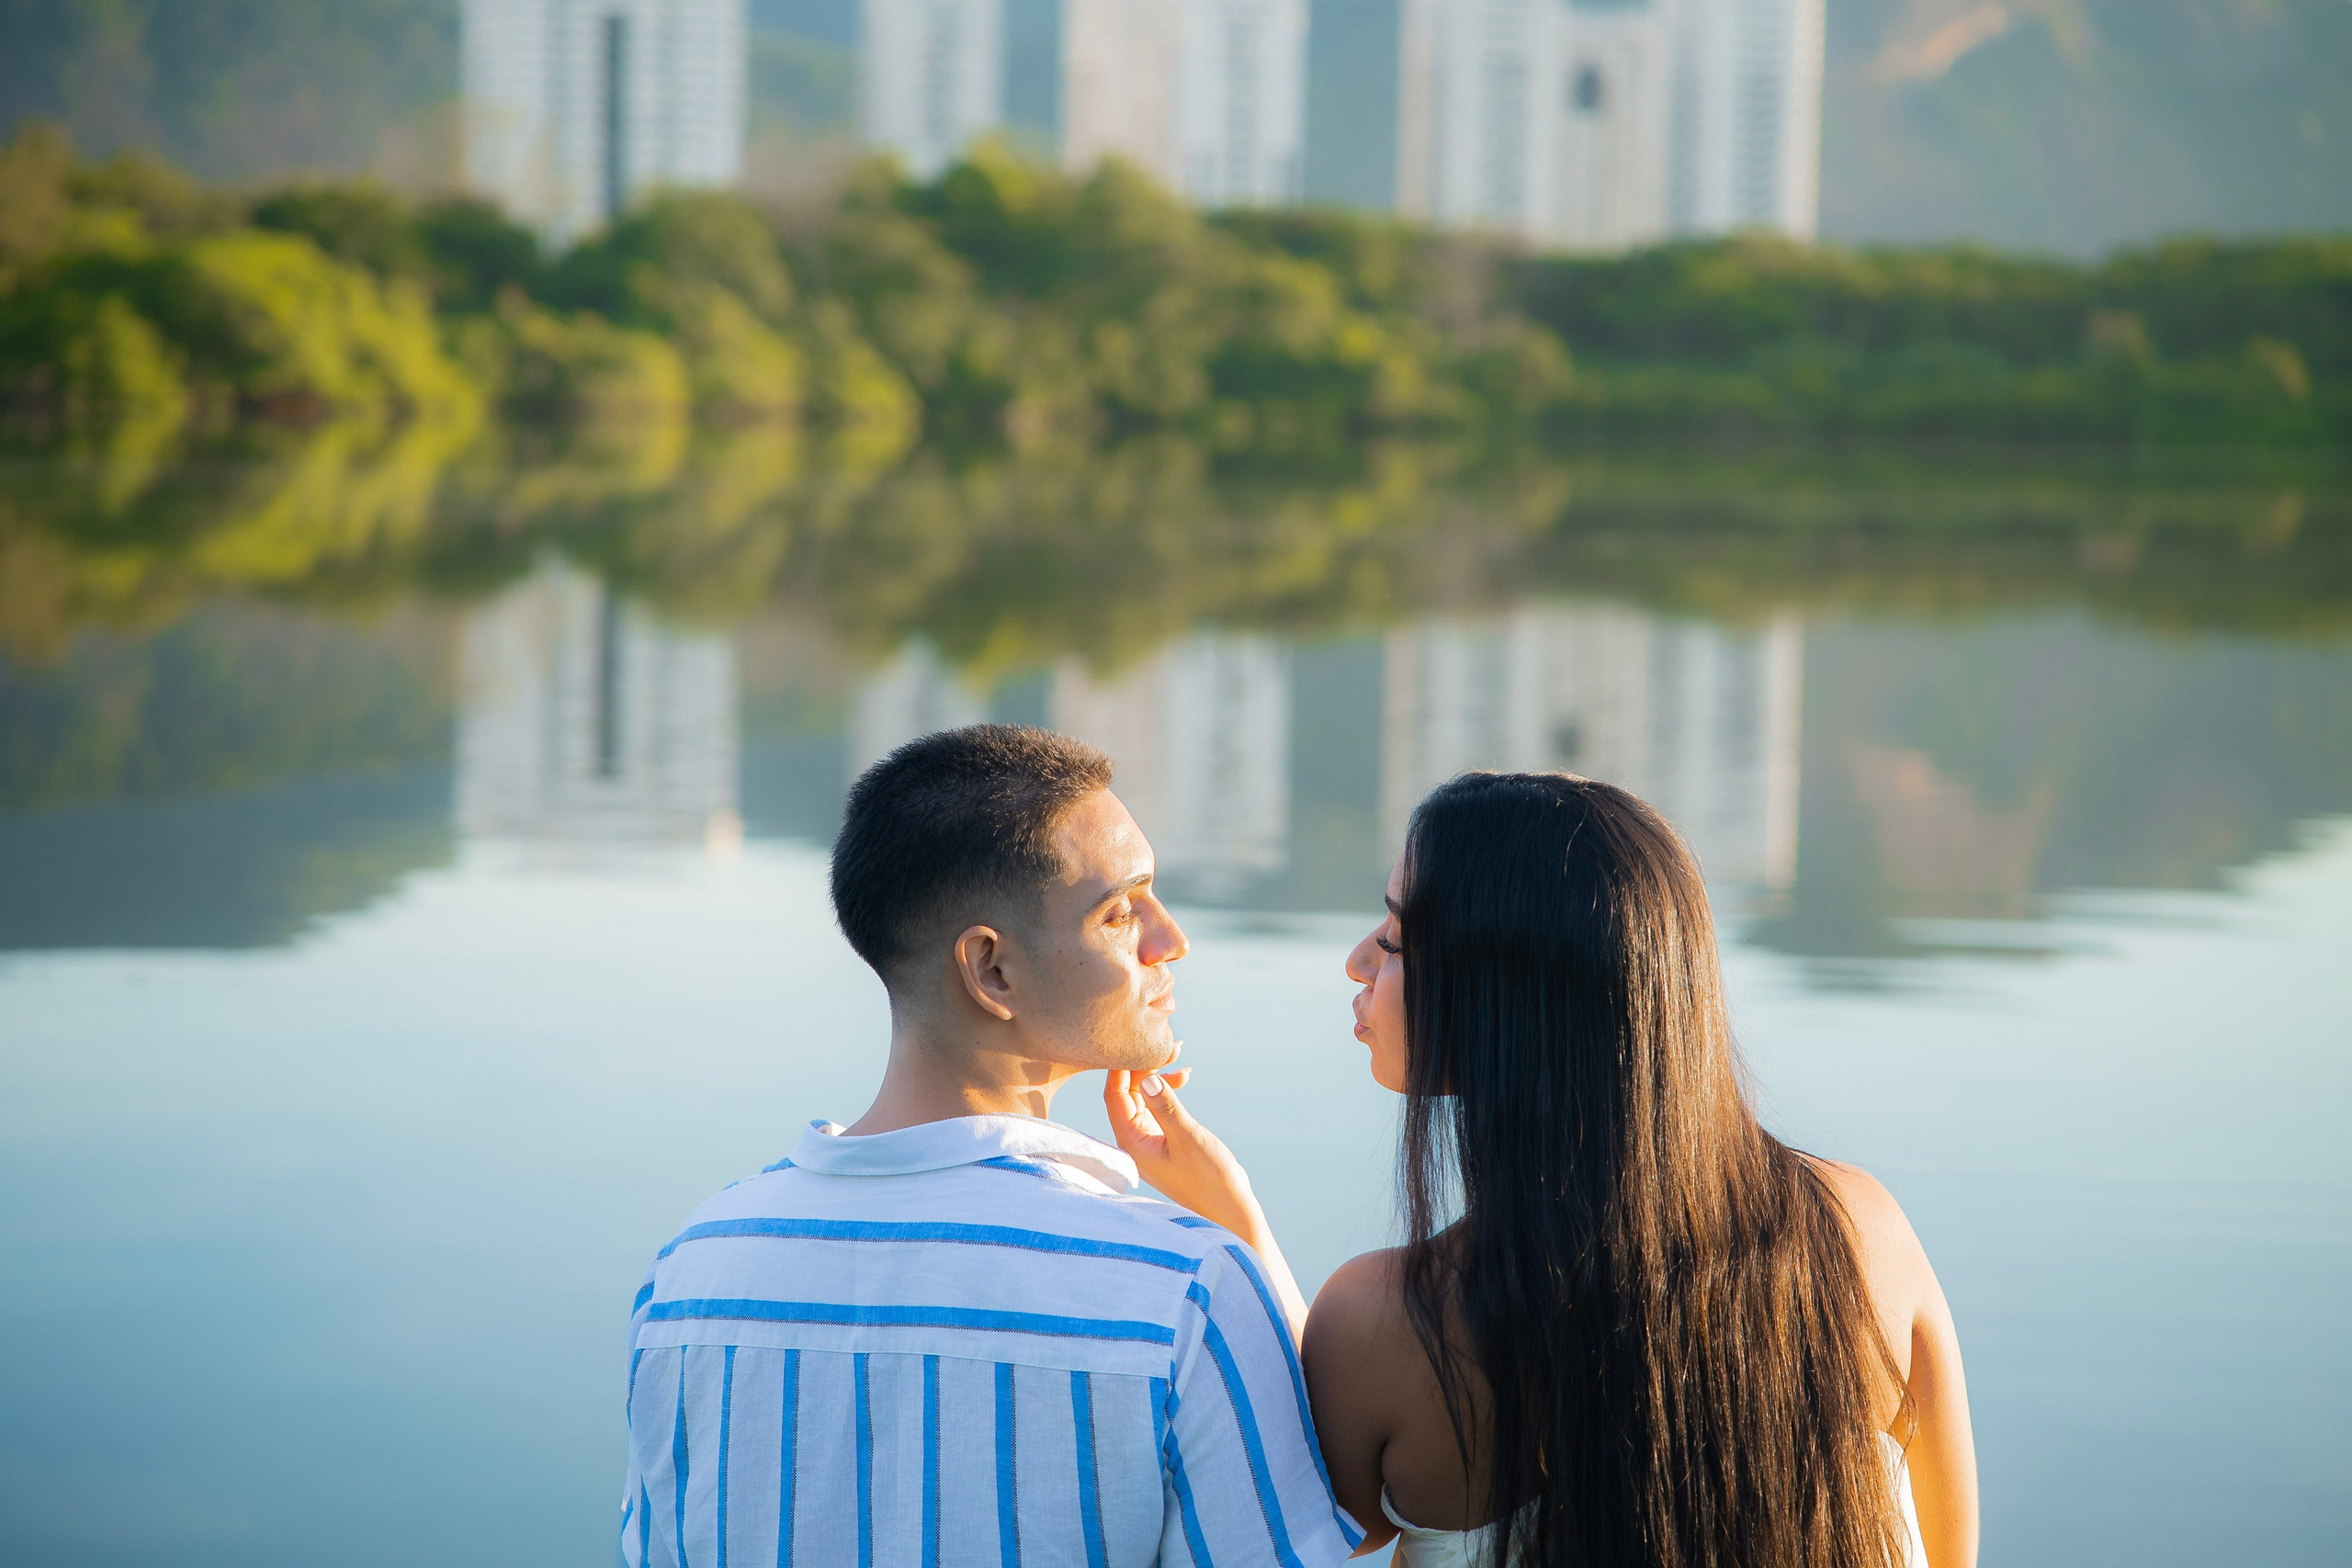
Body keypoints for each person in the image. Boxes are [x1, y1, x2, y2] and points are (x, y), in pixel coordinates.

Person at [1105, 771, 1980, 1568]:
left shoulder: (1386, 1323)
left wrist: (1239, 1229)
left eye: (1399, 937)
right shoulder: (1860, 1228)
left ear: (1504, 997)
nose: (1359, 960)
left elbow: (1309, 1516)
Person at [621, 725, 1362, 1568]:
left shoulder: (689, 1275)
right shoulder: (1184, 1291)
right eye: (1122, 911)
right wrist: (1245, 1236)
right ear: (992, 970)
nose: (1169, 940)